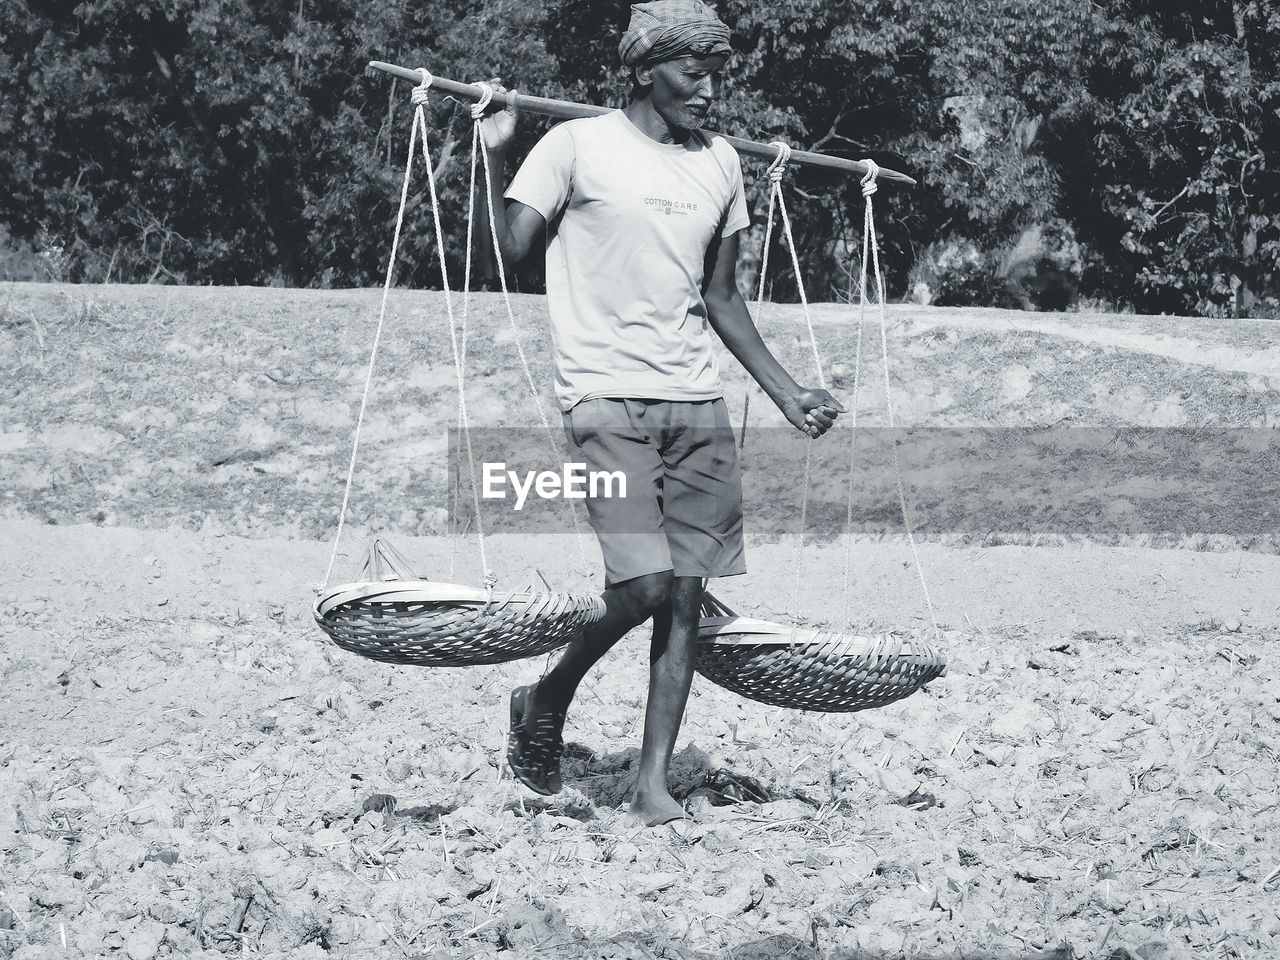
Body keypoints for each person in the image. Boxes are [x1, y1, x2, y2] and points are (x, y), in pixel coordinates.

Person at [479, 0, 844, 827]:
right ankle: (545, 696)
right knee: (643, 583)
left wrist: (787, 393)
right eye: (692, 71)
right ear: (645, 70)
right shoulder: (574, 145)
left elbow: (721, 297)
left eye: (716, 72)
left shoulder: (719, 164)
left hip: (695, 401)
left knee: (685, 597)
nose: (709, 90)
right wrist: (499, 149)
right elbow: (513, 249)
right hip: (603, 393)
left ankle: (652, 786)